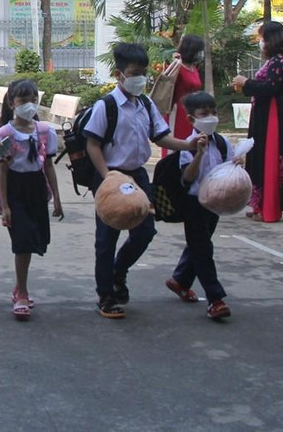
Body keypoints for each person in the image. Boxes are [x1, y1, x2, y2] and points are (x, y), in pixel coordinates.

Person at [84, 43, 196, 319]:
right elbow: (93, 144)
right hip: (111, 175)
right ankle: (106, 295)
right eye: (135, 72)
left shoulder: (144, 104)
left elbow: (161, 137)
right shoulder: (107, 105)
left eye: (143, 72)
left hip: (138, 176)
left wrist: (190, 145)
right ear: (119, 73)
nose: (140, 78)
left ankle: (118, 271)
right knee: (106, 238)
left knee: (145, 230)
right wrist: (107, 176)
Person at [0, 79, 64, 320]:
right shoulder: (4, 133)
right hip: (15, 189)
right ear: (11, 103)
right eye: (23, 101)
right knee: (22, 241)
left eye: (33, 100)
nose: (29, 105)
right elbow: (1, 170)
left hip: (36, 189)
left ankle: (19, 288)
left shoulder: (44, 131)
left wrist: (56, 197)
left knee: (35, 240)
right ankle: (22, 292)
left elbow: (48, 165)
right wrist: (4, 205)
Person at [165, 91, 233, 320]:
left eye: (214, 113)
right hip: (194, 204)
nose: (211, 118)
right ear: (192, 120)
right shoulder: (189, 145)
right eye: (205, 114)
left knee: (198, 245)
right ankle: (216, 299)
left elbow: (229, 169)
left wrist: (238, 163)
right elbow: (187, 177)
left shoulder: (222, 143)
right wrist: (199, 154)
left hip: (215, 202)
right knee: (203, 249)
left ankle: (181, 279)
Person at [231, 21, 283, 223]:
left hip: (273, 116)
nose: (260, 42)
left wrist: (246, 83)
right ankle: (259, 204)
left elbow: (270, 89)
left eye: (262, 38)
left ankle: (269, 207)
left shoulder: (280, 62)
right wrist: (246, 85)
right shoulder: (274, 61)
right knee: (258, 157)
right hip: (263, 114)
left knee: (269, 158)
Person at [161, 34, 204, 157]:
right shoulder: (177, 67)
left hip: (192, 112)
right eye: (198, 51)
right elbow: (165, 83)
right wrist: (174, 62)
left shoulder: (194, 68)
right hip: (177, 112)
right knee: (175, 144)